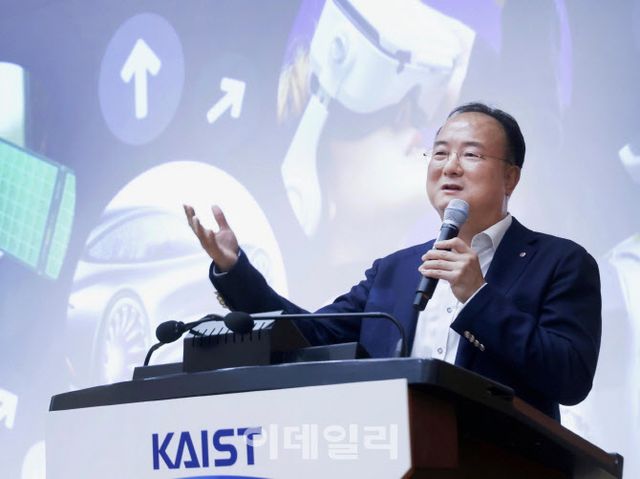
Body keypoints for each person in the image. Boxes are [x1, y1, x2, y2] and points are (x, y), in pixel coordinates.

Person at [184, 102, 601, 421]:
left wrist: (478, 297)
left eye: (471, 155)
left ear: (510, 176)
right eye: (439, 153)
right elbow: (310, 336)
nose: (450, 167)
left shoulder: (560, 263)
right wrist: (235, 272)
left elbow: (570, 378)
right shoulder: (395, 269)